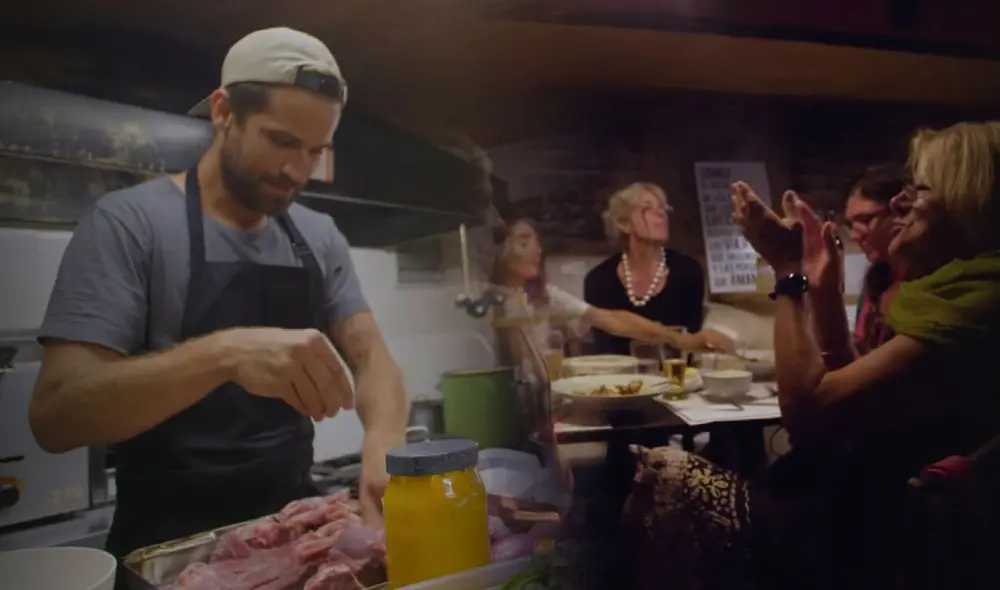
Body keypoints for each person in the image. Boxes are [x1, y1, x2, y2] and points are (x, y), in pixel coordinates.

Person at [27, 28, 408, 558]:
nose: (298, 171)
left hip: (291, 533)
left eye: (315, 151)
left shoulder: (317, 236)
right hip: (168, 548)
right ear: (224, 111)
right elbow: (56, 415)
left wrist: (385, 443)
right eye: (280, 141)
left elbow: (374, 361)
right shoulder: (130, 224)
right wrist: (223, 355)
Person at [606, 121, 1000, 590]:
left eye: (921, 190)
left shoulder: (978, 305)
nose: (899, 203)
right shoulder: (940, 292)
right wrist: (824, 289)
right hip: (857, 497)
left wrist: (788, 274)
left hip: (878, 534)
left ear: (967, 204)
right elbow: (852, 388)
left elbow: (811, 415)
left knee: (660, 482)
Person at [492, 217, 735, 381]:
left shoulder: (547, 295)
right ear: (497, 249)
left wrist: (682, 340)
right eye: (524, 242)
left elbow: (610, 319)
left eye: (537, 242)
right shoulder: (486, 300)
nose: (537, 250)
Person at [584, 182, 711, 356]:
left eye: (663, 208)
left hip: (675, 378)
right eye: (648, 209)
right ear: (624, 224)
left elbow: (689, 342)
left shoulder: (688, 271)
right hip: (617, 379)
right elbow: (604, 350)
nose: (661, 214)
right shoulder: (599, 280)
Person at [841, 165, 909, 353]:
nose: (855, 235)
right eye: (850, 224)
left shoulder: (926, 284)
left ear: (901, 212)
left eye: (865, 219)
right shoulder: (876, 280)